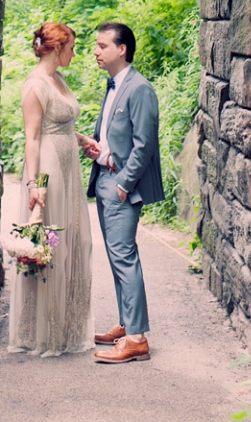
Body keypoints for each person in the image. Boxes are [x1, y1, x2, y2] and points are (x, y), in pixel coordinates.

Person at [8, 22, 97, 356]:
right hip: (47, 168)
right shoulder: (35, 85)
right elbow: (33, 137)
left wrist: (82, 139)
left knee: (77, 240)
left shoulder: (58, 79)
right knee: (51, 242)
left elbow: (59, 125)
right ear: (57, 47)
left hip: (69, 165)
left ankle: (67, 328)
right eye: (71, 47)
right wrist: (34, 184)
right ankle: (42, 333)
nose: (74, 53)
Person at [84, 22, 164, 364]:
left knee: (124, 256)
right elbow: (119, 138)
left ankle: (136, 339)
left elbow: (144, 146)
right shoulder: (115, 85)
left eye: (103, 45)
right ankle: (126, 323)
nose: (96, 51)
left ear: (122, 49)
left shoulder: (140, 88)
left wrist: (122, 184)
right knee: (117, 256)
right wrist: (100, 152)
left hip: (120, 187)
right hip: (105, 177)